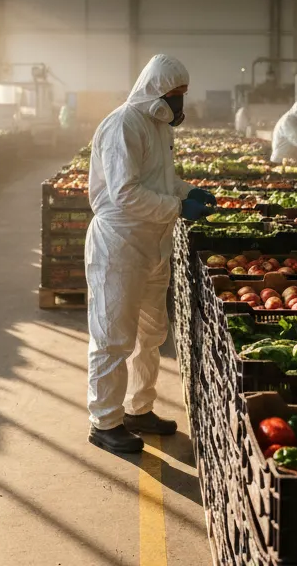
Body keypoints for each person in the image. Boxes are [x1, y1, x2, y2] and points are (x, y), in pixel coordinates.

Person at [84, 53, 216, 453]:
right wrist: (178, 208)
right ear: (155, 89)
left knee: (150, 334)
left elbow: (160, 178)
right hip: (120, 245)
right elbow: (124, 193)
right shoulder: (124, 124)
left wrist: (185, 190)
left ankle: (139, 409)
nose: (179, 103)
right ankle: (104, 421)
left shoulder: (159, 127)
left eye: (183, 95)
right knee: (113, 335)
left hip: (153, 243)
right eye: (174, 94)